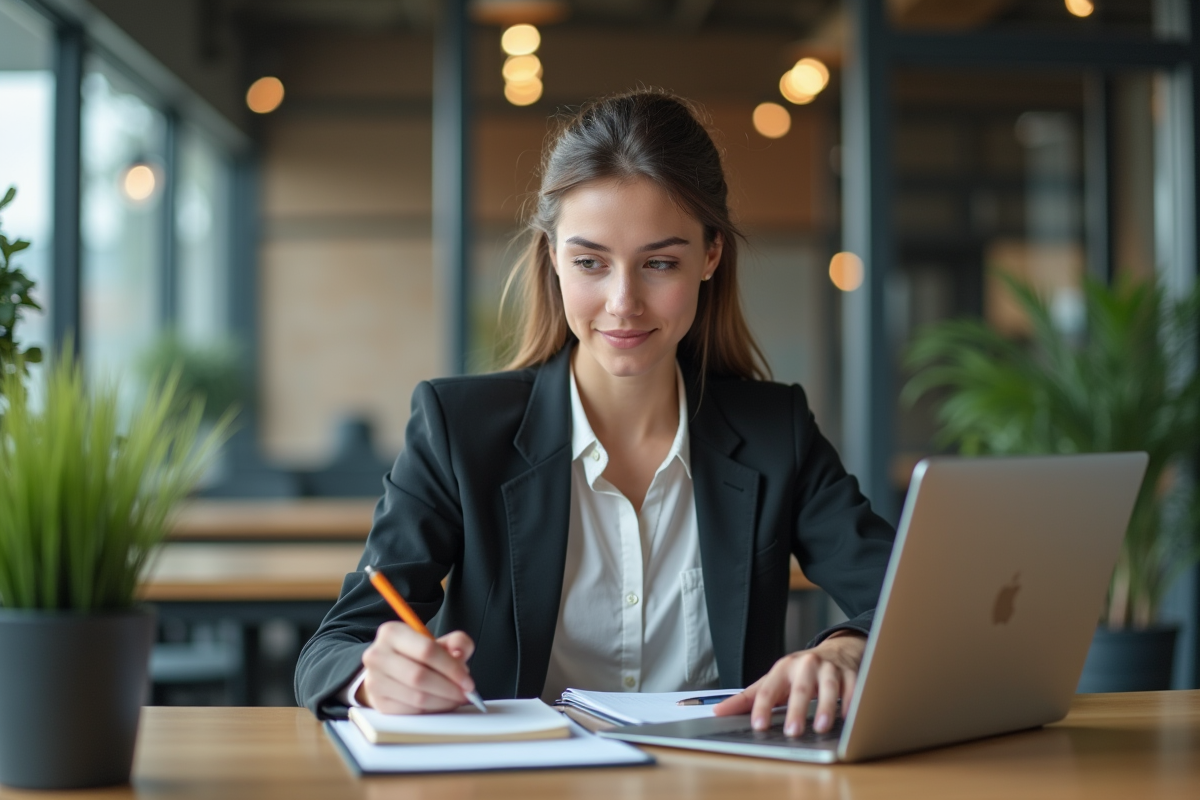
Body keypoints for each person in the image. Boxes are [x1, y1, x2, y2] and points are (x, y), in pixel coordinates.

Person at [295, 89, 894, 738]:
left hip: (716, 780)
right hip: (518, 779)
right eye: (589, 262)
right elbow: (334, 647)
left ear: (710, 256)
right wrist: (373, 677)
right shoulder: (457, 430)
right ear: (552, 256)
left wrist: (847, 649)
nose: (622, 302)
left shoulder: (775, 432)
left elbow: (907, 599)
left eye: (659, 263)